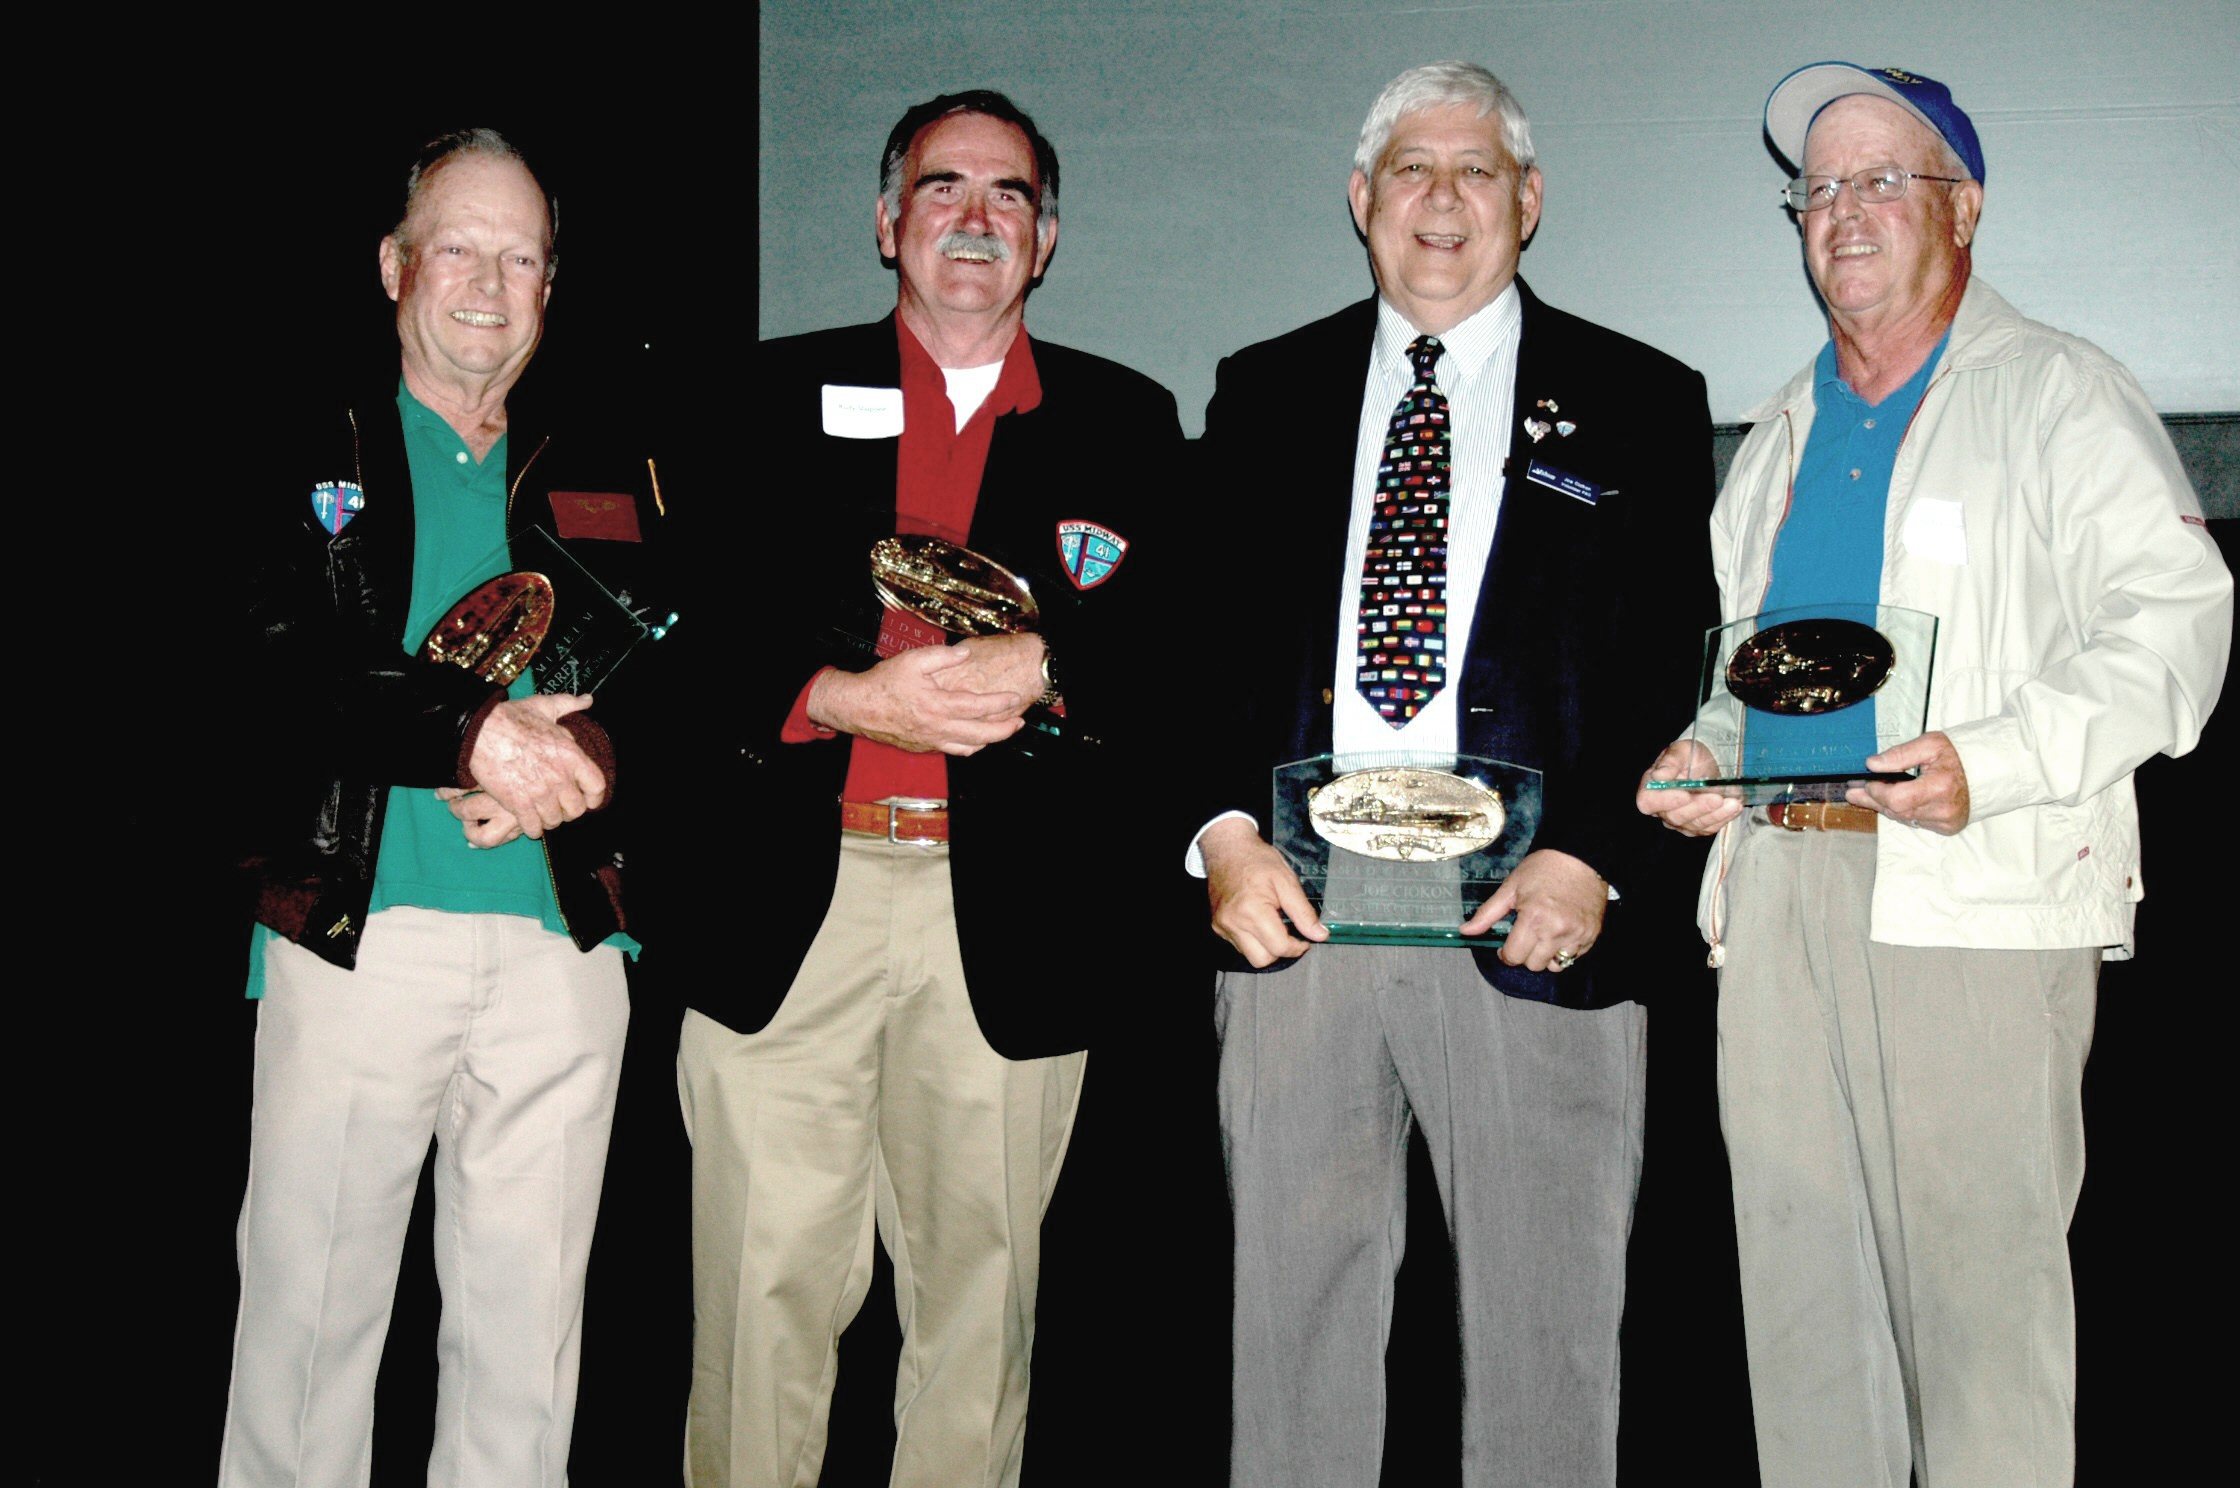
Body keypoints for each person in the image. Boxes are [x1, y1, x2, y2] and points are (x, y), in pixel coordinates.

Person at [1637, 62, 2232, 1487]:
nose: (1843, 213)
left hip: (1969, 899)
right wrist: (1705, 756)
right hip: (1777, 891)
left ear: (1961, 207)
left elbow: (2180, 623)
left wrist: (1997, 762)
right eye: (1818, 187)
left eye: (1881, 180)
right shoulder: (1777, 431)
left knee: (1981, 1323)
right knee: (1799, 1311)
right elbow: (1754, 672)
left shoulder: (2057, 394)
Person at [1191, 61, 1713, 1487]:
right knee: (1290, 1332)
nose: (1441, 200)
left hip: (1533, 898)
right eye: (1409, 170)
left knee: (1552, 1347)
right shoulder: (1263, 391)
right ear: (1360, 202)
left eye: (1474, 170)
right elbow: (1203, 640)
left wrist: (1596, 853)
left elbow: (1673, 656)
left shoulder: (1643, 399)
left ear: (1527, 202)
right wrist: (1227, 835)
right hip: (1296, 899)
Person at [677, 89, 1181, 1487]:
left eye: (1008, 194)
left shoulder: (1128, 422)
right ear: (887, 222)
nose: (974, 215)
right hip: (791, 908)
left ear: (1048, 238)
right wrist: (836, 697)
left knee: (977, 1321)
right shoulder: (758, 397)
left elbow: (1186, 662)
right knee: (757, 1308)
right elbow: (684, 636)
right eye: (943, 187)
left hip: (1011, 933)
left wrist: (1056, 661)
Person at [221, 129, 670, 1486]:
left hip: (564, 956)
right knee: (305, 1348)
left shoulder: (612, 468)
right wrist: (473, 734)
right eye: (460, 247)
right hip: (358, 937)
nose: (490, 281)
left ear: (550, 283)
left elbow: (680, 673)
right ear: (394, 267)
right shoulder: (306, 442)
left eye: (521, 255)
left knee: (526, 1367)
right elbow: (268, 664)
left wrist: (586, 748)